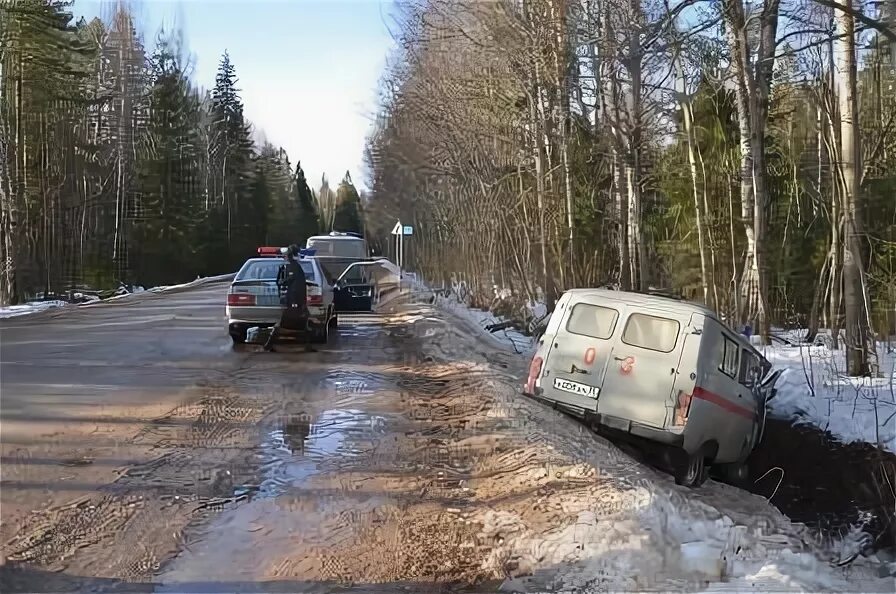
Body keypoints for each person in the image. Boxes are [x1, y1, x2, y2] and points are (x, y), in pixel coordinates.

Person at [264, 244, 316, 352]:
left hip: (294, 300)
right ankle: (269, 344)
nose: (285, 257)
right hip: (296, 301)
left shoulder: (293, 267)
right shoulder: (295, 266)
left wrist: (282, 282)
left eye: (286, 255)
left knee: (291, 323)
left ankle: (269, 345)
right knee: (299, 322)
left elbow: (292, 281)